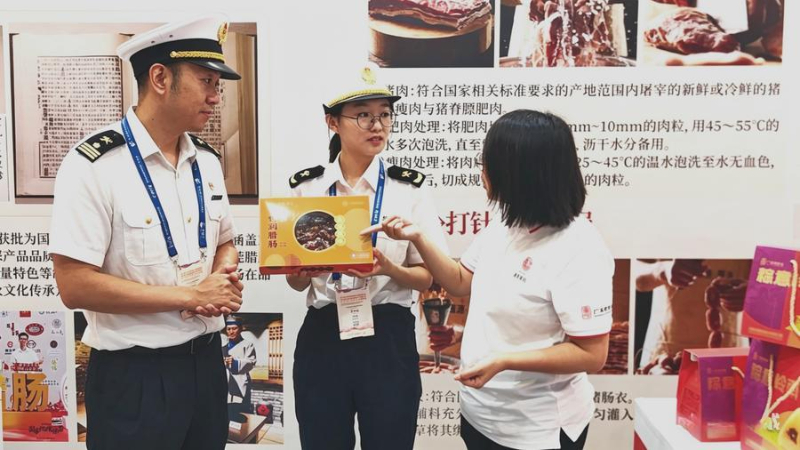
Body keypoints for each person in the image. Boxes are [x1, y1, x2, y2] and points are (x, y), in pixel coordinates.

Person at [364, 109, 613, 450]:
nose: (482, 172)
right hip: (482, 415)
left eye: (488, 163)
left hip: (536, 429)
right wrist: (418, 237)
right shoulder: (507, 223)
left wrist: (505, 361)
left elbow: (591, 354)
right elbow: (459, 281)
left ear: (519, 174)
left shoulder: (578, 247)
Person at [50, 15, 244, 450]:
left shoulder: (206, 161)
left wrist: (222, 275)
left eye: (218, 85)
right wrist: (191, 295)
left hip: (206, 368)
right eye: (206, 81)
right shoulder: (93, 166)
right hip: (134, 376)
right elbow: (74, 284)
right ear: (160, 78)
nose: (215, 96)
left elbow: (226, 241)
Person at [286, 63, 448, 450]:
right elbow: (295, 281)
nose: (377, 126)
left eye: (384, 115)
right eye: (363, 115)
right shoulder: (307, 188)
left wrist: (387, 268)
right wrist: (310, 266)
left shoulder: (408, 189)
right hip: (324, 333)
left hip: (387, 334)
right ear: (333, 122)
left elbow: (426, 277)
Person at [634, 259, 749, 374]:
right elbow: (634, 272)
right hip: (665, 360)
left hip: (731, 357)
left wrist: (753, 294)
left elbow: (760, 284)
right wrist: (662, 270)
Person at [223, 315, 256, 421]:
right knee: (226, 410)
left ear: (241, 329)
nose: (231, 332)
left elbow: (251, 362)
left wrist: (235, 362)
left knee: (240, 412)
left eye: (234, 328)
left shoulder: (248, 345)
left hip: (240, 381)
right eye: (228, 329)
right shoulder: (223, 347)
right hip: (225, 382)